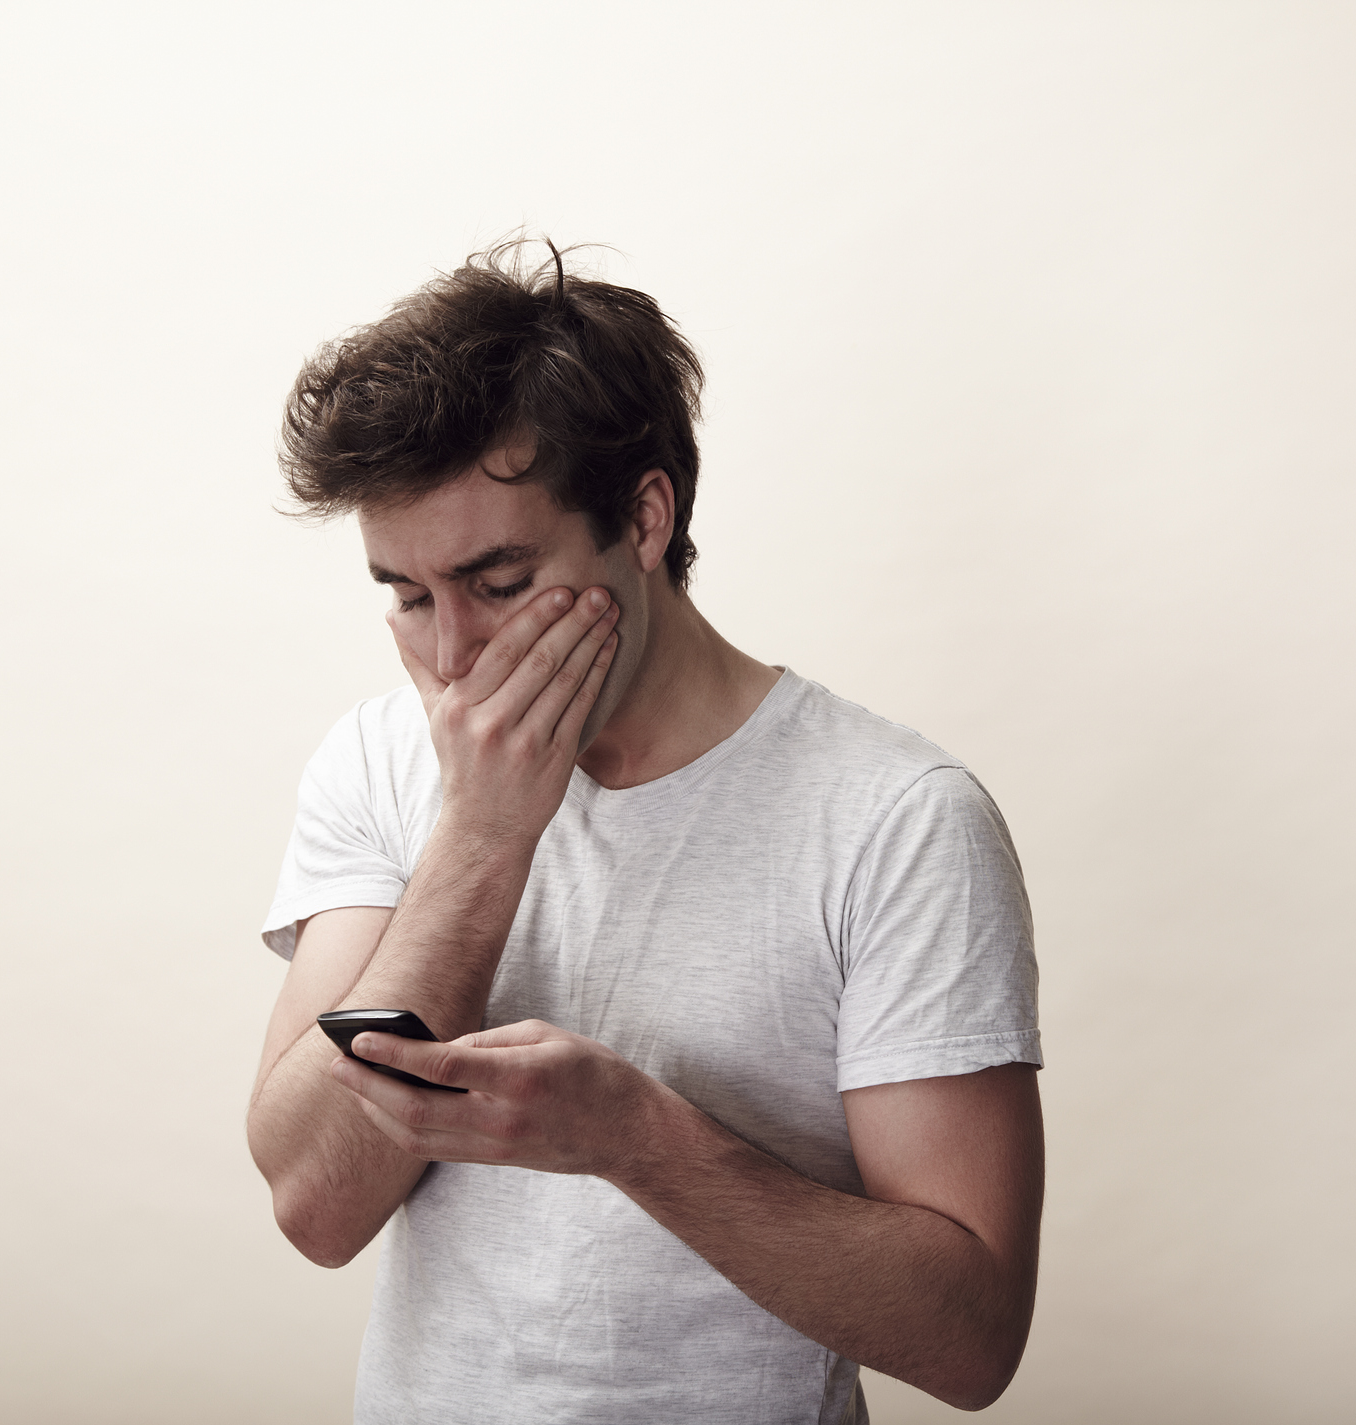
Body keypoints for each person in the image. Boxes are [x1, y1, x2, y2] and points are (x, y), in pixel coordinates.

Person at [246, 240, 1044, 1424]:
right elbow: (316, 1203)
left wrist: (635, 1138)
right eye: (408, 598)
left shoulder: (896, 821)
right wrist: (480, 836)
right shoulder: (377, 763)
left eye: (501, 581)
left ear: (646, 517)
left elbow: (971, 1339)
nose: (452, 657)